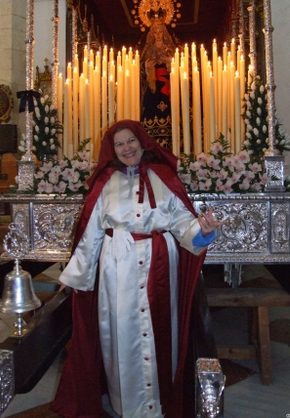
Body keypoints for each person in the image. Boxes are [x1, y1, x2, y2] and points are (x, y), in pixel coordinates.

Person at [51, 119, 224, 418]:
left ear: (142, 142)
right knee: (121, 334)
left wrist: (203, 229)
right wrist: (74, 276)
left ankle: (159, 402)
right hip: (117, 267)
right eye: (119, 144)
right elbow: (91, 233)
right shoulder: (104, 184)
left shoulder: (163, 176)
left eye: (130, 141)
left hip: (160, 266)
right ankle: (125, 404)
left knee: (161, 332)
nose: (126, 147)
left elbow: (182, 222)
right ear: (112, 150)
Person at [140, 22, 176, 150]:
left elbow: (179, 67)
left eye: (160, 32)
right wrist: (147, 66)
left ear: (164, 34)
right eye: (156, 32)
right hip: (153, 86)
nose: (158, 35)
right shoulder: (148, 50)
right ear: (152, 34)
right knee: (151, 108)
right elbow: (141, 69)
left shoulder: (170, 48)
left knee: (170, 110)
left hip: (167, 86)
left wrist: (170, 63)